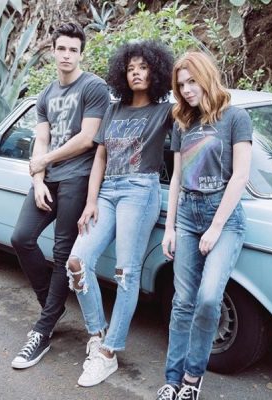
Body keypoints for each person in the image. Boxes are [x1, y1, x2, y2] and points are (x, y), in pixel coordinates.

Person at [65, 40, 174, 387]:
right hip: (107, 192)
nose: (136, 73)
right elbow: (100, 157)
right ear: (122, 74)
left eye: (143, 67)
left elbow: (197, 124)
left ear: (156, 72)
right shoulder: (114, 109)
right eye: (130, 69)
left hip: (140, 191)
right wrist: (91, 201)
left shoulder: (165, 111)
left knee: (126, 272)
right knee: (77, 262)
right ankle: (97, 334)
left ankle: (109, 353)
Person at [10, 22, 110, 369]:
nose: (67, 55)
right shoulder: (45, 95)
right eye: (62, 49)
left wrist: (44, 161)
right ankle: (52, 309)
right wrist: (38, 180)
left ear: (81, 54)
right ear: (53, 51)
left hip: (77, 179)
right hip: (49, 179)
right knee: (21, 238)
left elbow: (87, 138)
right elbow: (41, 139)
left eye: (73, 50)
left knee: (61, 251)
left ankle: (43, 329)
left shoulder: (94, 87)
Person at [156, 52, 253, 400]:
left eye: (192, 81)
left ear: (207, 77)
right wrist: (170, 228)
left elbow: (240, 176)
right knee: (182, 301)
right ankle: (173, 379)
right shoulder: (183, 122)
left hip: (223, 218)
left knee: (209, 298)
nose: (186, 90)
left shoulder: (235, 118)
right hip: (187, 214)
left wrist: (215, 227)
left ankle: (193, 377)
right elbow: (177, 178)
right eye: (181, 85)